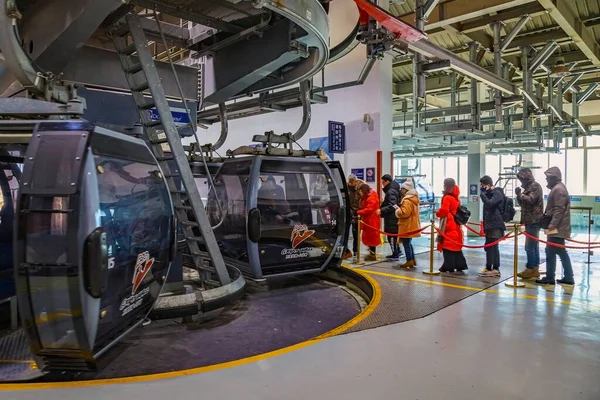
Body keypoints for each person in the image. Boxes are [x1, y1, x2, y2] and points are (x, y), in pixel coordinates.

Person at [536, 167, 574, 286]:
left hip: (557, 228)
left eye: (548, 178)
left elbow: (559, 210)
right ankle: (555, 276)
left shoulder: (558, 190)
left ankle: (554, 276)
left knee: (557, 251)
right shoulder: (558, 188)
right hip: (557, 227)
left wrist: (552, 226)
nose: (546, 180)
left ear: (553, 178)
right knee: (552, 251)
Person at [515, 167, 544, 279]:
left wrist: (520, 194)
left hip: (534, 220)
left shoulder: (535, 186)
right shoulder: (528, 187)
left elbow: (531, 200)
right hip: (529, 220)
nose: (521, 181)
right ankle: (534, 268)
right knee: (533, 245)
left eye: (522, 179)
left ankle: (531, 268)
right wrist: (519, 195)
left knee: (530, 246)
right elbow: (523, 204)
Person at [436, 178, 468, 273]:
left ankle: (448, 266)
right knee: (456, 248)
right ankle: (460, 265)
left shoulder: (447, 197)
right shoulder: (456, 197)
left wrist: (437, 213)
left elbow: (444, 210)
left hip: (448, 224)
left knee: (447, 246)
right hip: (456, 224)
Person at [479, 175, 506, 277]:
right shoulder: (489, 193)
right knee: (488, 246)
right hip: (489, 224)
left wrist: (483, 195)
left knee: (493, 247)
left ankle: (495, 268)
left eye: (483, 185)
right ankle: (489, 266)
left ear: (489, 185)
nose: (481, 187)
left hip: (495, 224)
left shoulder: (497, 194)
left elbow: (490, 204)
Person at [395, 180, 421, 268]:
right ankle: (412, 260)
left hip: (406, 225)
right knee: (409, 243)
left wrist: (398, 211)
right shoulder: (414, 198)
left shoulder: (407, 200)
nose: (401, 190)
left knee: (406, 243)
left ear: (406, 190)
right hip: (412, 224)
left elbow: (405, 213)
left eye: (402, 189)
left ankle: (409, 260)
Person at [376, 174, 402, 261]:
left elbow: (393, 205)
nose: (382, 184)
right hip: (393, 217)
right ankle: (397, 251)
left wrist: (382, 210)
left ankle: (395, 254)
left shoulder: (390, 191)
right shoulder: (394, 189)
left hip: (392, 218)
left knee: (391, 236)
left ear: (387, 182)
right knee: (393, 236)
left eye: (383, 182)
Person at [356, 183, 381, 262]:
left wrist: (358, 212)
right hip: (368, 220)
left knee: (372, 237)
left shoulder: (372, 197)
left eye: (361, 192)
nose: (361, 194)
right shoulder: (368, 196)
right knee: (369, 237)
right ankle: (371, 253)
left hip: (372, 220)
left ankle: (372, 254)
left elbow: (370, 209)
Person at [347, 174, 366, 259]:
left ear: (355, 181)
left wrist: (359, 210)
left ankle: (355, 251)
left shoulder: (360, 187)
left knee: (356, 234)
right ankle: (346, 250)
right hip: (348, 211)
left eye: (352, 182)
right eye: (349, 182)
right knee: (345, 233)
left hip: (357, 212)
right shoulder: (346, 188)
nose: (351, 183)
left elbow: (362, 198)